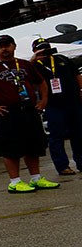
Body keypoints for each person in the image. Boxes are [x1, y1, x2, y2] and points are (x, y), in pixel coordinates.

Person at [0, 35, 57, 193]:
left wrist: (44, 100)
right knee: (11, 148)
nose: (4, 49)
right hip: (8, 113)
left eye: (7, 45)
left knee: (32, 145)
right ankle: (15, 182)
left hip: (29, 111)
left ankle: (36, 178)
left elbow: (41, 82)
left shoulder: (24, 64)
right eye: (0, 46)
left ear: (14, 46)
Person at [31, 38, 82, 177]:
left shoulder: (62, 59)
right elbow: (25, 75)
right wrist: (34, 59)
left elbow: (76, 75)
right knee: (57, 136)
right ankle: (62, 166)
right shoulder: (34, 65)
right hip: (54, 105)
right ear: (35, 50)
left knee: (78, 134)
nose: (45, 51)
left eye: (46, 48)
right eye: (41, 49)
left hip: (74, 102)